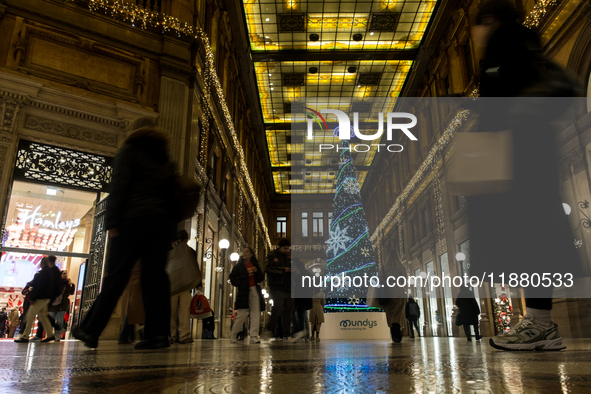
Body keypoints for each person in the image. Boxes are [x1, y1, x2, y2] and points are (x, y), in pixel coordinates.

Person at [468, 0, 581, 351]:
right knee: (530, 234)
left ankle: (541, 324)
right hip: (522, 151)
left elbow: (508, 96)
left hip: (520, 153)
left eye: (475, 27)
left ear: (486, 21)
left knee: (529, 234)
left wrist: (498, 125)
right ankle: (540, 322)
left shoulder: (508, 39)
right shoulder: (516, 40)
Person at [73, 117, 178, 350]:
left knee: (117, 277)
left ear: (134, 131)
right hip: (161, 225)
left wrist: (111, 222)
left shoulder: (129, 151)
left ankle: (90, 330)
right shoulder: (165, 158)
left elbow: (119, 187)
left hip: (133, 221)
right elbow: (172, 195)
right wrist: (170, 230)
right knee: (156, 279)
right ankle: (159, 335)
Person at [15, 257, 57, 343]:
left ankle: (25, 336)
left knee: (30, 316)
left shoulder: (42, 273)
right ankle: (50, 334)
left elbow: (39, 287)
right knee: (43, 317)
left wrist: (33, 298)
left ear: (42, 264)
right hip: (46, 298)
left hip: (40, 298)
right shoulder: (50, 273)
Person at [229, 246, 265, 344]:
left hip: (254, 290)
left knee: (255, 313)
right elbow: (232, 278)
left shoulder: (255, 265)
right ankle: (234, 334)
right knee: (242, 314)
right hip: (243, 292)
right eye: (243, 252)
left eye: (247, 252)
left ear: (251, 254)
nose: (244, 253)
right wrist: (240, 283)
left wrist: (256, 271)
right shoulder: (239, 266)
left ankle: (254, 335)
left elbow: (261, 278)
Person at [261, 238, 293, 341]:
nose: (287, 250)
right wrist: (284, 270)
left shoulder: (291, 257)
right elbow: (267, 269)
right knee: (278, 307)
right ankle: (269, 328)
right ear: (280, 247)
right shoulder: (272, 256)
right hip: (277, 286)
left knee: (288, 310)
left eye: (288, 248)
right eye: (285, 248)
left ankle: (286, 335)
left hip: (290, 287)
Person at [170, 230, 197, 344]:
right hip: (173, 286)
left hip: (184, 286)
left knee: (183, 311)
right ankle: (172, 335)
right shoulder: (171, 251)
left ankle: (183, 335)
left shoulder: (191, 252)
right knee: (173, 311)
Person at [382, 250, 407, 343]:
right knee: (397, 314)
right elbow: (405, 280)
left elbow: (379, 279)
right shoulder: (401, 267)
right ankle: (397, 334)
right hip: (399, 293)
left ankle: (393, 334)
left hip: (387, 294)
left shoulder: (384, 268)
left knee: (390, 314)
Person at [118, 261, 144, 344]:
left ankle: (130, 336)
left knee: (132, 311)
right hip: (136, 284)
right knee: (132, 311)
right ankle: (124, 336)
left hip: (131, 284)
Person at [48, 270, 75, 341]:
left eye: (66, 273)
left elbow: (71, 293)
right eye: (64, 273)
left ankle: (56, 336)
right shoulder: (56, 282)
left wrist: (71, 285)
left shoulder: (68, 283)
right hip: (53, 305)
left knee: (60, 321)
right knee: (50, 321)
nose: (65, 275)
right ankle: (49, 335)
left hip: (63, 305)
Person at [291, 257, 312, 342]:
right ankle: (303, 334)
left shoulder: (298, 273)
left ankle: (300, 332)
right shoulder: (307, 273)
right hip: (305, 297)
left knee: (294, 313)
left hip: (299, 296)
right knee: (302, 315)